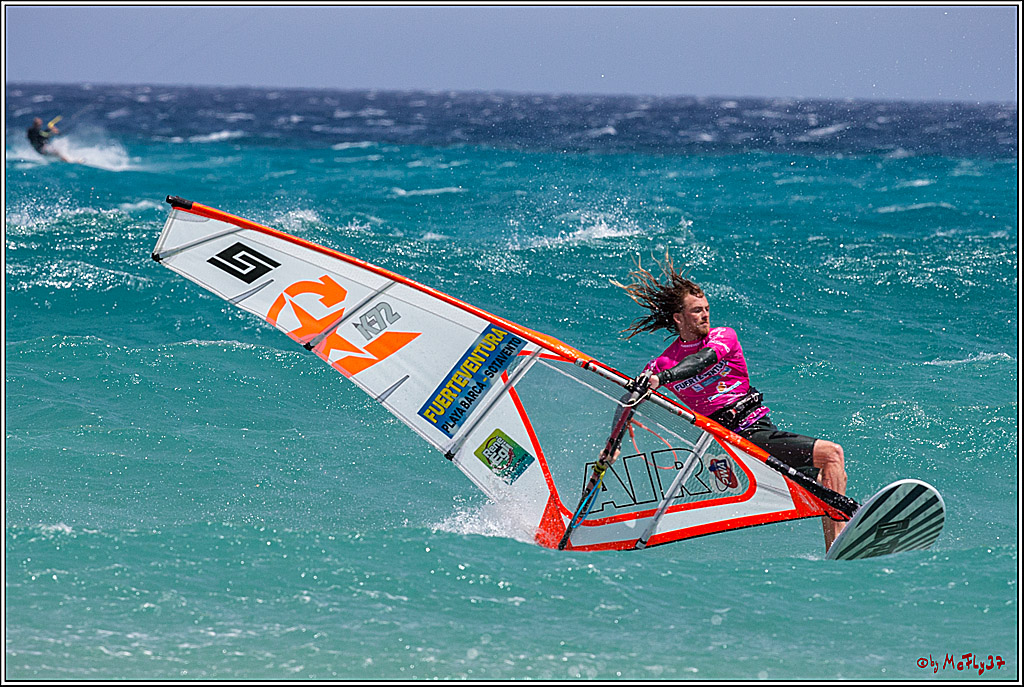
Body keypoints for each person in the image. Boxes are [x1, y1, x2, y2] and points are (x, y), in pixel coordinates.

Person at [610, 257, 848, 552]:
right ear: (678, 318)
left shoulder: (722, 337)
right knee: (832, 454)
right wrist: (614, 443)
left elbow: (702, 361)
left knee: (828, 479)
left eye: (707, 309)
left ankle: (836, 551)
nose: (705, 315)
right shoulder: (661, 363)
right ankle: (841, 543)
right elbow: (628, 397)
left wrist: (663, 378)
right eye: (697, 311)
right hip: (730, 443)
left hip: (758, 433)